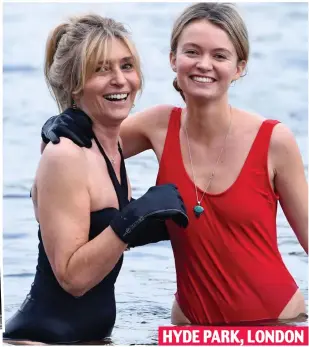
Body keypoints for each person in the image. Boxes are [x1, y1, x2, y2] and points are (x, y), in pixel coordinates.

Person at [41, 3, 308, 325]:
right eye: (192, 52)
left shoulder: (274, 140)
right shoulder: (157, 126)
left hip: (276, 325)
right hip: (186, 328)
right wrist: (57, 125)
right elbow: (75, 151)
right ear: (173, 59)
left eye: (219, 56)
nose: (204, 65)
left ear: (239, 67)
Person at [3, 14, 188, 344]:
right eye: (102, 69)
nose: (120, 80)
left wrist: (155, 225)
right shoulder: (65, 156)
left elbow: (102, 238)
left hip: (91, 338)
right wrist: (135, 216)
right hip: (43, 339)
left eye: (126, 66)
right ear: (75, 84)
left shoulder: (112, 144)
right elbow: (72, 278)